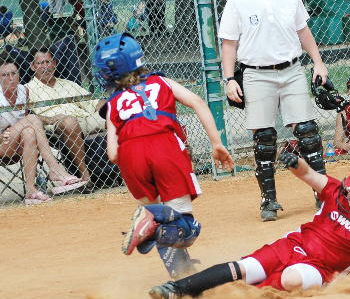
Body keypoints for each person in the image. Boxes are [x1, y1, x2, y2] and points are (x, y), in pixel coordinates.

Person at [148, 155, 350, 299]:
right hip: (293, 245)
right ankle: (179, 289)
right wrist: (296, 164)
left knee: (291, 280)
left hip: (322, 269)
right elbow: (308, 173)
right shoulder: (335, 190)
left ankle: (233, 295)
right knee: (246, 267)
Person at [95, 32, 234, 279]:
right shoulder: (162, 82)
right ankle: (155, 230)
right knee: (184, 227)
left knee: (158, 217)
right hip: (165, 148)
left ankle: (181, 275)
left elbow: (113, 154)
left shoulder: (113, 103)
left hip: (131, 156)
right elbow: (198, 103)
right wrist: (216, 142)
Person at [221, 0, 329, 221]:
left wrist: (318, 62)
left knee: (308, 133)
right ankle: (268, 200)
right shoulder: (237, 0)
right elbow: (229, 44)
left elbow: (303, 31)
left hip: (291, 69)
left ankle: (323, 194)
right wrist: (229, 79)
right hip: (256, 73)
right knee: (264, 138)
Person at [0, 56, 87, 204]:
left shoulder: (23, 91)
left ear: (19, 74)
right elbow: (29, 119)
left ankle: (30, 191)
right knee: (32, 119)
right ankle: (55, 169)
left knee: (29, 132)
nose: (11, 78)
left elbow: (24, 120)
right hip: (2, 142)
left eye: (14, 73)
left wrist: (49, 119)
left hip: (19, 142)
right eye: (5, 75)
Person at [26, 47, 102, 188]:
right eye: (40, 63)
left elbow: (94, 102)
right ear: (32, 66)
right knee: (69, 122)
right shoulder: (28, 89)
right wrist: (48, 119)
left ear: (55, 63)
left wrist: (106, 107)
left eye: (48, 62)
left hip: (85, 117)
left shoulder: (68, 84)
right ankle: (85, 175)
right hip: (56, 124)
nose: (45, 66)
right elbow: (27, 117)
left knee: (113, 113)